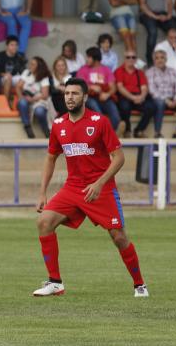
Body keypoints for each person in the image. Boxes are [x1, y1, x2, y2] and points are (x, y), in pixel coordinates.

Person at [34, 78, 147, 298]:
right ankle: (55, 283)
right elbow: (50, 158)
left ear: (85, 97)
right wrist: (42, 193)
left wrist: (100, 183)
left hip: (101, 189)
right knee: (44, 222)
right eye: (67, 93)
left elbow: (119, 158)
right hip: (73, 188)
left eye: (75, 94)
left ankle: (139, 285)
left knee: (119, 237)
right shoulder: (58, 124)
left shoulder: (100, 122)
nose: (70, 97)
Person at [138, 0, 176, 65]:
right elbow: (142, 4)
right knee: (153, 32)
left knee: (173, 29)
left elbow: (169, 2)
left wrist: (168, 15)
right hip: (146, 14)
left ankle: (173, 57)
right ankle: (150, 60)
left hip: (161, 13)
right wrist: (155, 16)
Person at [76, 47, 120, 130]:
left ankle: (108, 135)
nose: (86, 59)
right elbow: (79, 86)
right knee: (98, 115)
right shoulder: (83, 69)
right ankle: (105, 134)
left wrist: (107, 94)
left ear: (95, 59)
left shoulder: (106, 70)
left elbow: (113, 87)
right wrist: (91, 87)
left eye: (88, 57)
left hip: (104, 97)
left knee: (116, 117)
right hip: (88, 97)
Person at [146, 49, 176, 138]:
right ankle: (157, 132)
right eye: (157, 58)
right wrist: (166, 100)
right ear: (154, 60)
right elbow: (152, 90)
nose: (160, 60)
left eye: (162, 58)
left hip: (173, 98)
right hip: (158, 98)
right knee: (160, 103)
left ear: (166, 59)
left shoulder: (172, 71)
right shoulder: (150, 72)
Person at [114, 51, 154, 138]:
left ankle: (139, 130)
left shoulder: (139, 72)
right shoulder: (119, 71)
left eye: (133, 57)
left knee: (151, 107)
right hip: (125, 96)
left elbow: (144, 88)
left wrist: (141, 97)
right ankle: (127, 130)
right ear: (124, 59)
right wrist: (133, 97)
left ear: (136, 59)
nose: (131, 59)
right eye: (128, 57)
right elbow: (120, 88)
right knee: (124, 107)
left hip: (138, 96)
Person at [16, 56, 52, 138]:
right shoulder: (26, 72)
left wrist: (32, 99)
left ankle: (46, 129)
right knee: (22, 102)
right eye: (30, 64)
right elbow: (18, 87)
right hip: (26, 99)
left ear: (38, 66)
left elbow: (45, 95)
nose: (30, 66)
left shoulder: (44, 77)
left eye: (33, 64)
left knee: (39, 112)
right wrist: (21, 97)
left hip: (38, 101)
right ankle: (27, 126)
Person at [0, 36, 27, 100]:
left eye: (16, 45)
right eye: (12, 45)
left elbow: (23, 71)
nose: (14, 47)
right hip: (2, 78)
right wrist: (4, 74)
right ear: (7, 46)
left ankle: (23, 101)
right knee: (8, 78)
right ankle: (6, 101)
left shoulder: (20, 56)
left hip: (14, 77)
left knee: (25, 79)